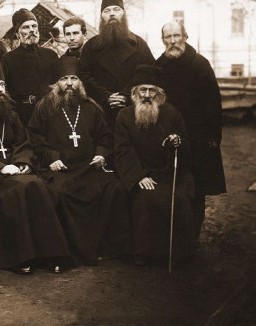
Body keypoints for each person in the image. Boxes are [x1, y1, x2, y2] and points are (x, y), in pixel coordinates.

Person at [0, 61, 69, 274]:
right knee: (17, 190)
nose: (0, 90)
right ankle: (20, 257)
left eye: (2, 84)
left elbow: (23, 143)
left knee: (37, 186)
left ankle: (51, 254)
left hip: (16, 170)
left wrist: (22, 162)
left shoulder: (11, 115)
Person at [28, 56, 131, 266]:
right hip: (61, 169)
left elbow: (105, 137)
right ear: (55, 83)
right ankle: (69, 251)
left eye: (73, 79)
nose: (69, 83)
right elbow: (35, 138)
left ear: (80, 83)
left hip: (89, 167)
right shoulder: (44, 108)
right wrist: (51, 158)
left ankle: (106, 247)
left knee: (115, 189)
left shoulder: (91, 107)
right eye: (64, 79)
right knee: (60, 193)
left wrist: (101, 154)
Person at [114, 65, 196, 266]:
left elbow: (186, 142)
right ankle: (146, 253)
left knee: (180, 197)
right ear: (135, 93)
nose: (147, 95)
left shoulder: (172, 113)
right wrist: (138, 176)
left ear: (159, 94)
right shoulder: (124, 115)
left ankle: (179, 255)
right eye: (143, 90)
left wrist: (178, 142)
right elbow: (123, 151)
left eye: (152, 90)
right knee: (147, 198)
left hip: (170, 172)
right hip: (142, 172)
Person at [156, 21, 226, 238]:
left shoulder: (199, 64)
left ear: (185, 37)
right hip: (169, 135)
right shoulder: (159, 65)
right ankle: (172, 235)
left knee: (196, 189)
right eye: (168, 37)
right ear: (163, 40)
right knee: (170, 186)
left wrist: (212, 136)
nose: (173, 41)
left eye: (176, 35)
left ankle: (192, 236)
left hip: (197, 137)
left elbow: (213, 102)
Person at [79, 0, 155, 131]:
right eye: (107, 11)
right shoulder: (90, 46)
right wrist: (106, 96)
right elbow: (84, 75)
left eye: (116, 10)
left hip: (133, 111)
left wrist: (125, 95)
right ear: (101, 16)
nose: (112, 14)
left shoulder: (139, 44)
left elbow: (147, 73)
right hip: (100, 112)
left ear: (124, 14)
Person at [1, 8, 58, 126]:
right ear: (17, 33)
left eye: (34, 26)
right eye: (26, 27)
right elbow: (6, 91)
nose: (31, 30)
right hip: (21, 116)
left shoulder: (51, 55)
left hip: (47, 112)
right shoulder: (8, 59)